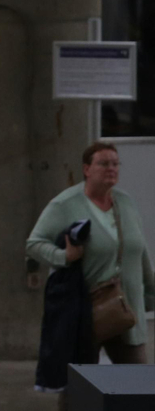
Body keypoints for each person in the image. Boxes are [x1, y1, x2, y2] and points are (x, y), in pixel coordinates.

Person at [28, 141, 155, 372]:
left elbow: (140, 251)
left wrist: (151, 293)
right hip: (86, 312)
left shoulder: (126, 203)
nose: (111, 168)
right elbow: (34, 244)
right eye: (104, 163)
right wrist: (64, 255)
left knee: (138, 384)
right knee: (78, 387)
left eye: (116, 164)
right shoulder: (65, 204)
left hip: (126, 311)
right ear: (87, 169)